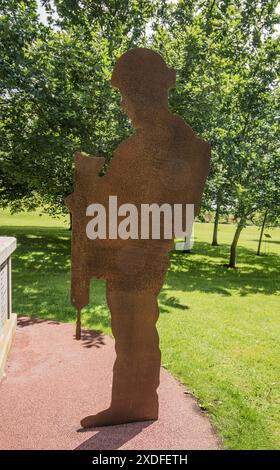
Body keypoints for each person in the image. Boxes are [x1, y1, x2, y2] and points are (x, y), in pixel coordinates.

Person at [67, 48, 210, 428]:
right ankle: (137, 401)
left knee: (134, 333)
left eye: (125, 96)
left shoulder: (154, 144)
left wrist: (86, 188)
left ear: (142, 92)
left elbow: (136, 205)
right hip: (137, 254)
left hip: (137, 258)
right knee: (134, 332)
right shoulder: (173, 139)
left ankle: (134, 404)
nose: (123, 106)